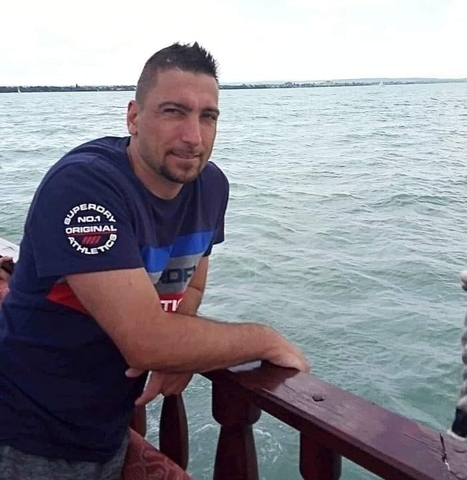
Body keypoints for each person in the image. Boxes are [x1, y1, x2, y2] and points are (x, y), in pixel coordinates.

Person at [0, 42, 310, 479]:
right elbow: (144, 340)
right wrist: (266, 340)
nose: (193, 136)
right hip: (24, 430)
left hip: (107, 427)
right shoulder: (84, 187)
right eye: (173, 112)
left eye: (208, 116)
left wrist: (176, 351)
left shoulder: (210, 188)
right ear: (134, 117)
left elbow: (191, 283)